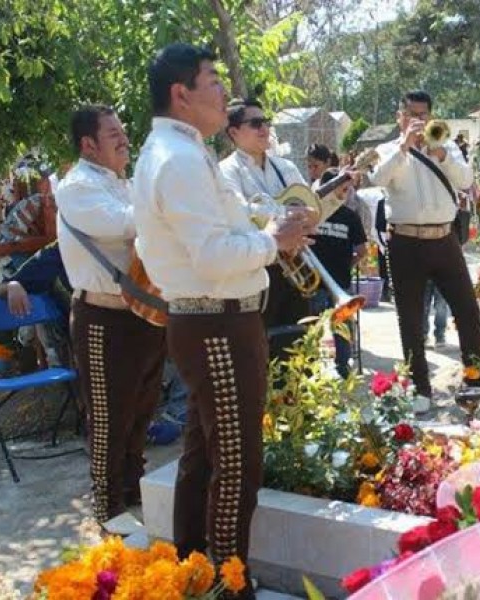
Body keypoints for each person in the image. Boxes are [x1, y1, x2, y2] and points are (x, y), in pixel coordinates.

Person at [131, 44, 310, 595]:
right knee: (237, 464)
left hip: (215, 322)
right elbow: (211, 256)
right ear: (181, 95)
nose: (223, 93)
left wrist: (261, 231)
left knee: (205, 452)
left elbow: (214, 236)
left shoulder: (182, 151)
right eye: (211, 81)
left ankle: (191, 570)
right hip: (216, 324)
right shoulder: (180, 158)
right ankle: (230, 582)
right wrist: (272, 240)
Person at [56, 104, 167, 523]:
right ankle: (108, 509)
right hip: (102, 319)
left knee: (141, 411)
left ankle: (132, 495)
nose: (125, 139)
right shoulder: (76, 186)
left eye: (123, 131)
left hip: (143, 313)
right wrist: (165, 202)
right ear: (88, 144)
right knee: (109, 419)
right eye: (113, 134)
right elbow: (124, 224)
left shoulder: (123, 182)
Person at [369, 90, 480, 403]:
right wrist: (404, 147)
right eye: (411, 114)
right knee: (409, 318)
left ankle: (475, 380)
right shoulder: (387, 149)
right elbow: (378, 178)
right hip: (405, 241)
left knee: (468, 310)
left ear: (431, 117)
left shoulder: (444, 144)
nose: (417, 121)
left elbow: (465, 180)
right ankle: (421, 389)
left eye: (423, 115)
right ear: (400, 117)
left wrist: (444, 156)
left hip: (444, 239)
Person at [219, 98, 314, 364]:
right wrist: (286, 215)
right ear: (234, 132)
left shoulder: (287, 167)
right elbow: (241, 214)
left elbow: (309, 208)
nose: (264, 128)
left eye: (266, 122)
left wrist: (325, 204)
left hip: (296, 269)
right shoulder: (226, 171)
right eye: (255, 123)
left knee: (300, 346)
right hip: (257, 271)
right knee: (260, 352)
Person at [308, 168, 368, 378]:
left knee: (315, 326)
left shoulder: (347, 216)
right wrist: (346, 265)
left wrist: (346, 267)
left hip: (330, 283)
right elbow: (361, 252)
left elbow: (362, 251)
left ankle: (316, 368)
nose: (344, 194)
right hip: (323, 282)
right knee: (337, 326)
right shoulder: (345, 217)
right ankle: (340, 367)